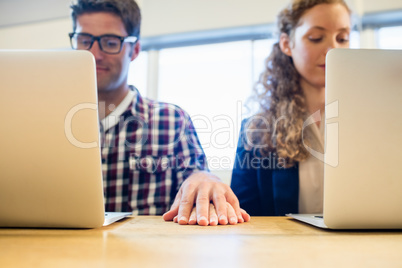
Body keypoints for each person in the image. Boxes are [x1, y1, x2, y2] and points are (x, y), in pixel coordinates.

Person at [69, 0, 250, 225]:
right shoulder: (47, 121)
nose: (94, 54)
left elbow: (197, 176)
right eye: (84, 41)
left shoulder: (172, 121)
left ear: (134, 50)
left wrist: (206, 180)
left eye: (110, 42)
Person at [231, 0, 351, 216]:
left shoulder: (371, 122)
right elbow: (243, 214)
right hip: (282, 248)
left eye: (342, 38)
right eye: (316, 38)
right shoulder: (256, 131)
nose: (333, 49)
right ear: (287, 44)